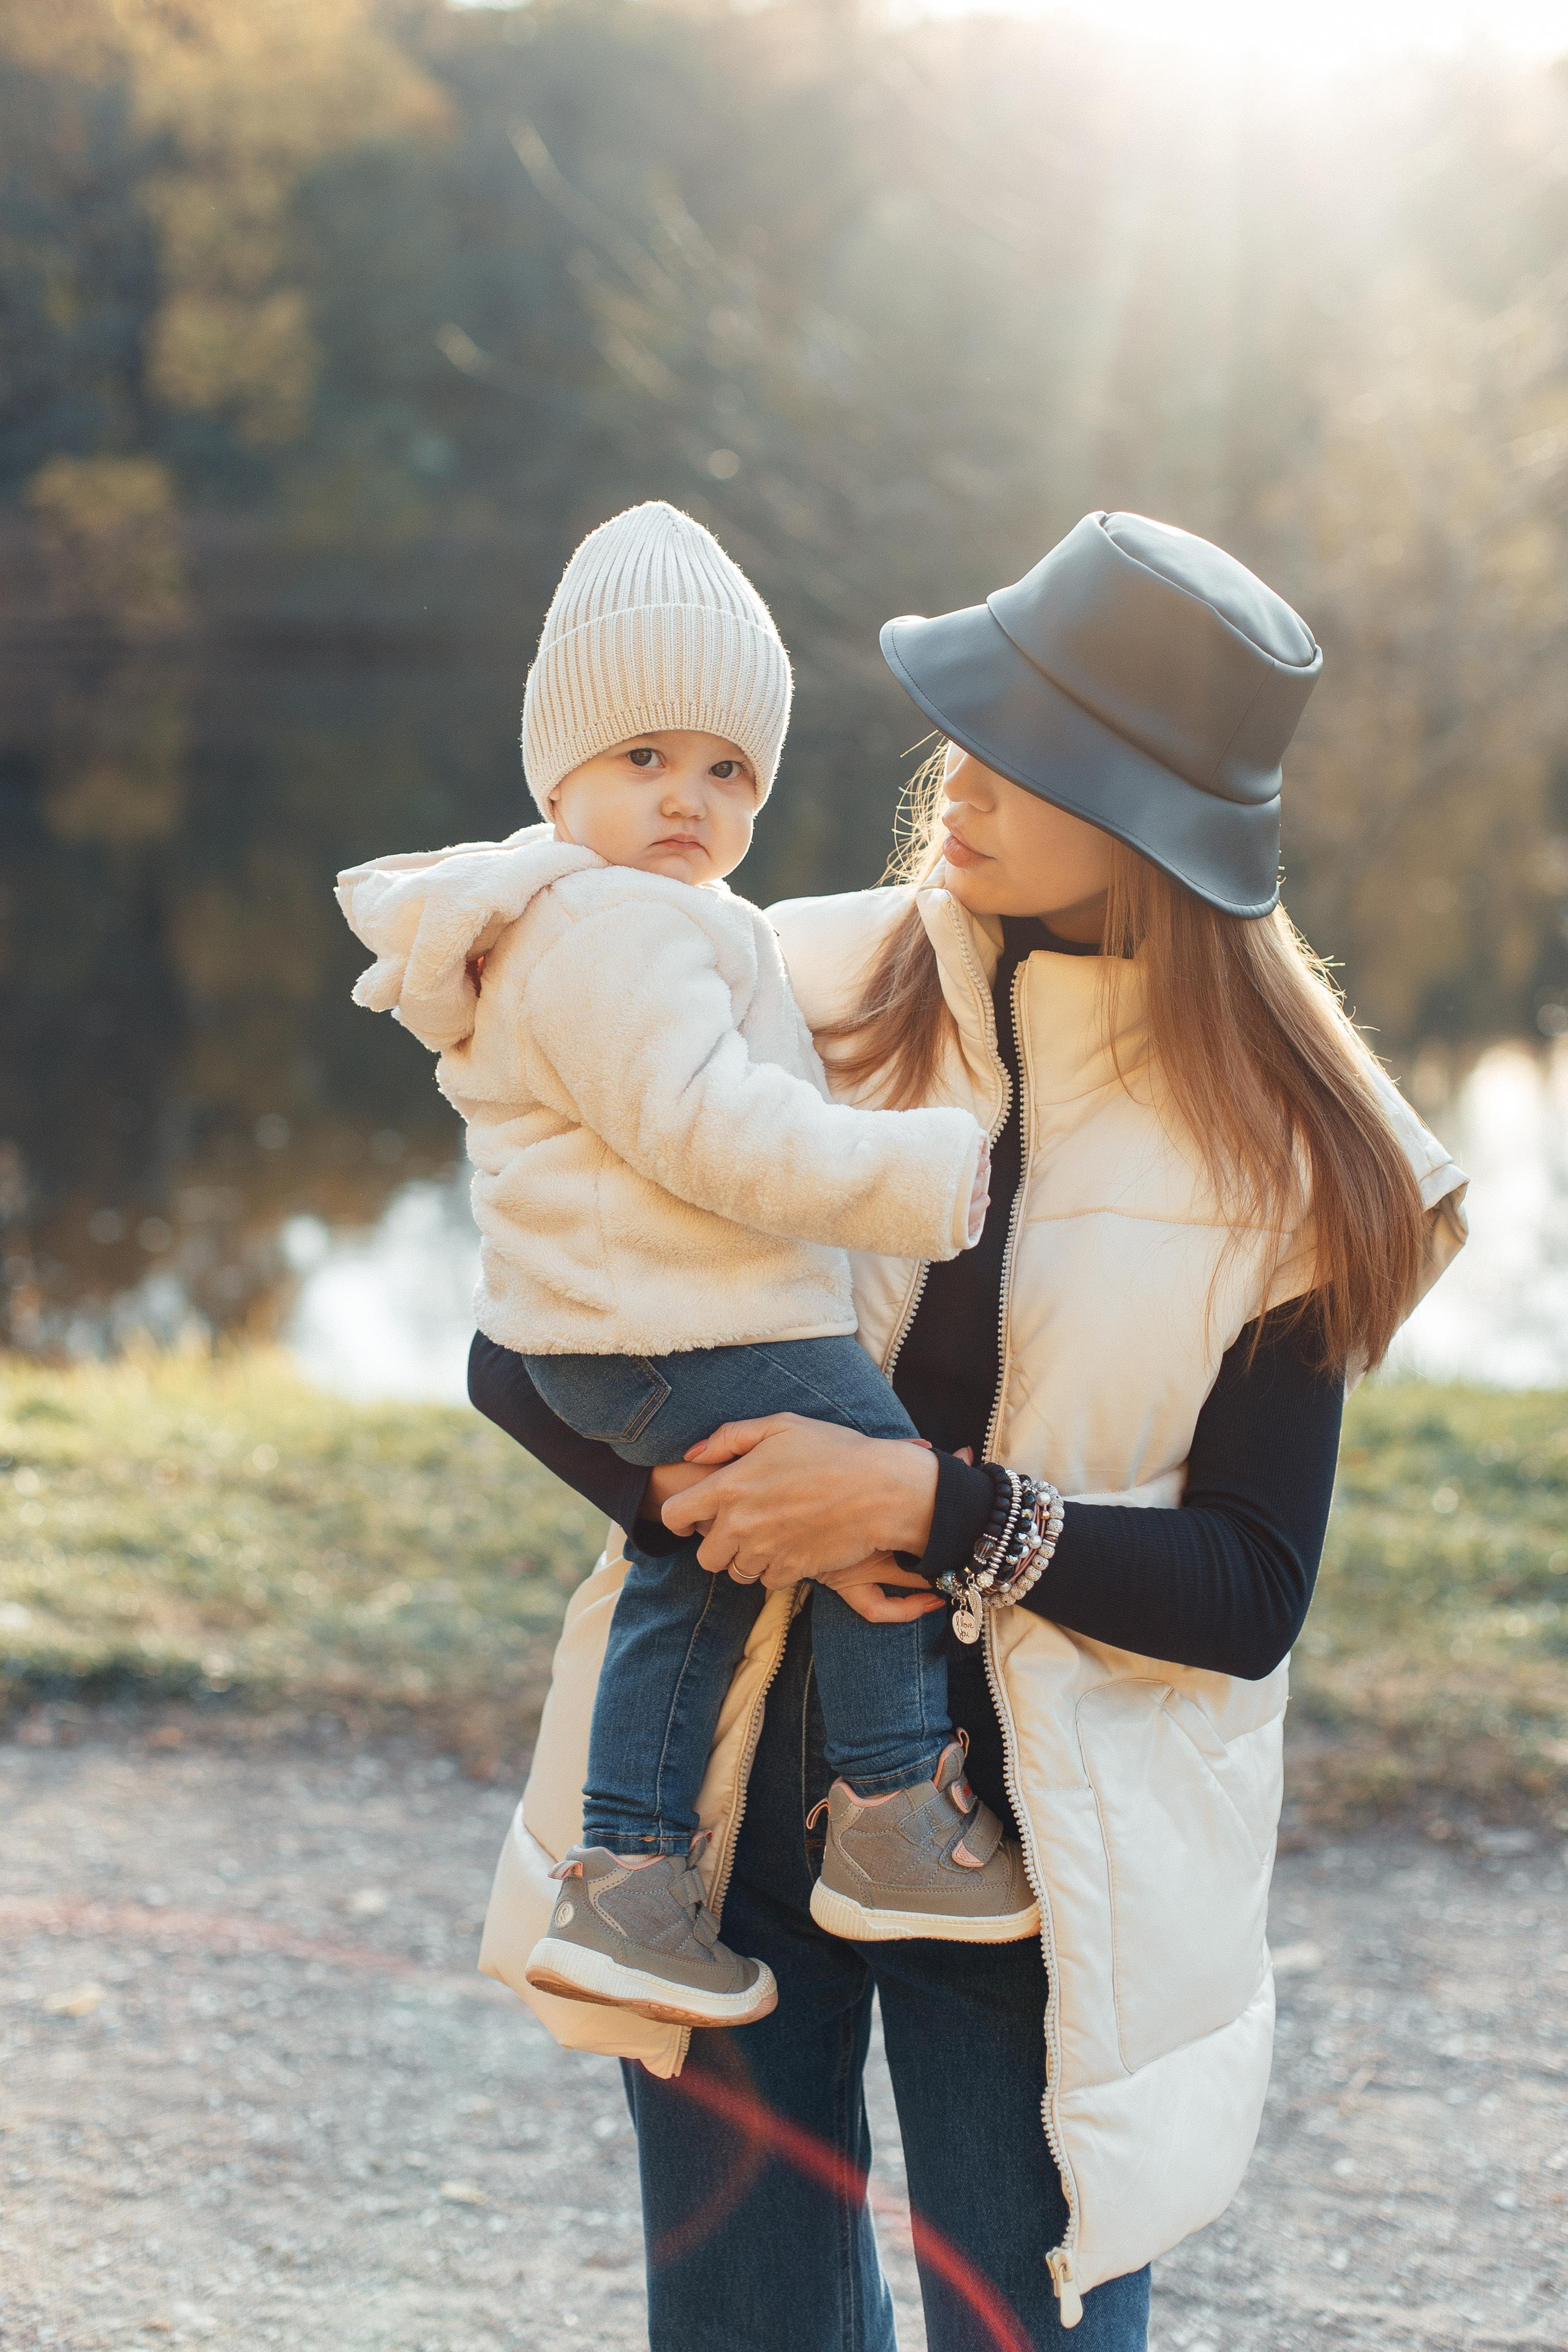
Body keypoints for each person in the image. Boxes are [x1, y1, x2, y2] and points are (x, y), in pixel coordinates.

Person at [474, 511, 1468, 2348]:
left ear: (1161, 817)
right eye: (972, 723)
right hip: (727, 1804)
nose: (966, 781)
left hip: (1041, 1866)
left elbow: (1249, 1590)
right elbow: (521, 1350)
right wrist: (760, 1508)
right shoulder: (771, 973)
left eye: (1038, 752)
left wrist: (928, 1509)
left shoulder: (1311, 1159)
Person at [337, 503, 1036, 2039]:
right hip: (674, 1318)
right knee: (873, 1477)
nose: (688, 800)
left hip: (614, 1320)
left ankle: (629, 1885)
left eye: (727, 770)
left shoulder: (631, 914)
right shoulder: (613, 933)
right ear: (559, 773)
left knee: (695, 1565)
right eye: (643, 759)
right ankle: (885, 1807)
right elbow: (706, 1131)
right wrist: (917, 1168)